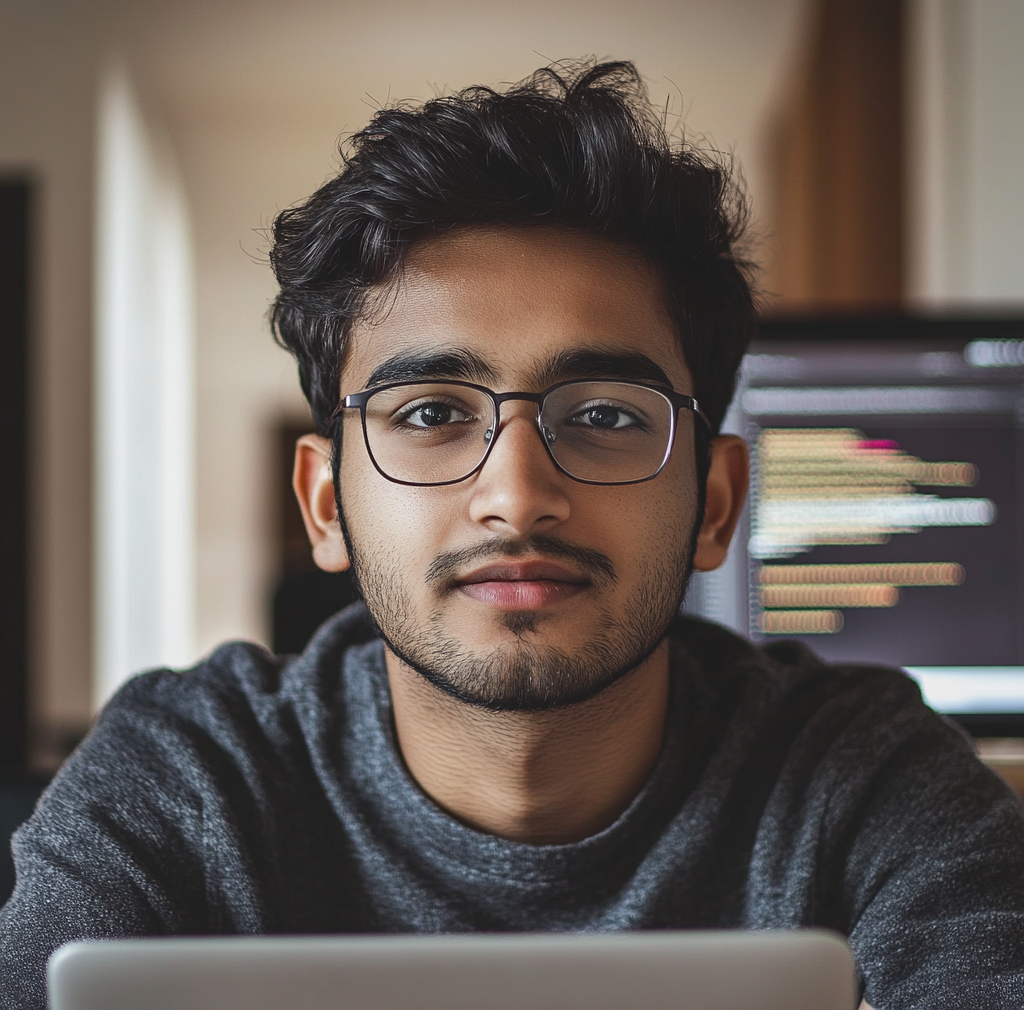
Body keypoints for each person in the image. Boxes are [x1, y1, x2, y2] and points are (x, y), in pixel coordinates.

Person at [2, 60, 1022, 1010]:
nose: (517, 495)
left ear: (714, 503)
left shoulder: (863, 773)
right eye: (431, 412)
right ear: (323, 502)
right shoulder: (187, 774)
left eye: (608, 414)